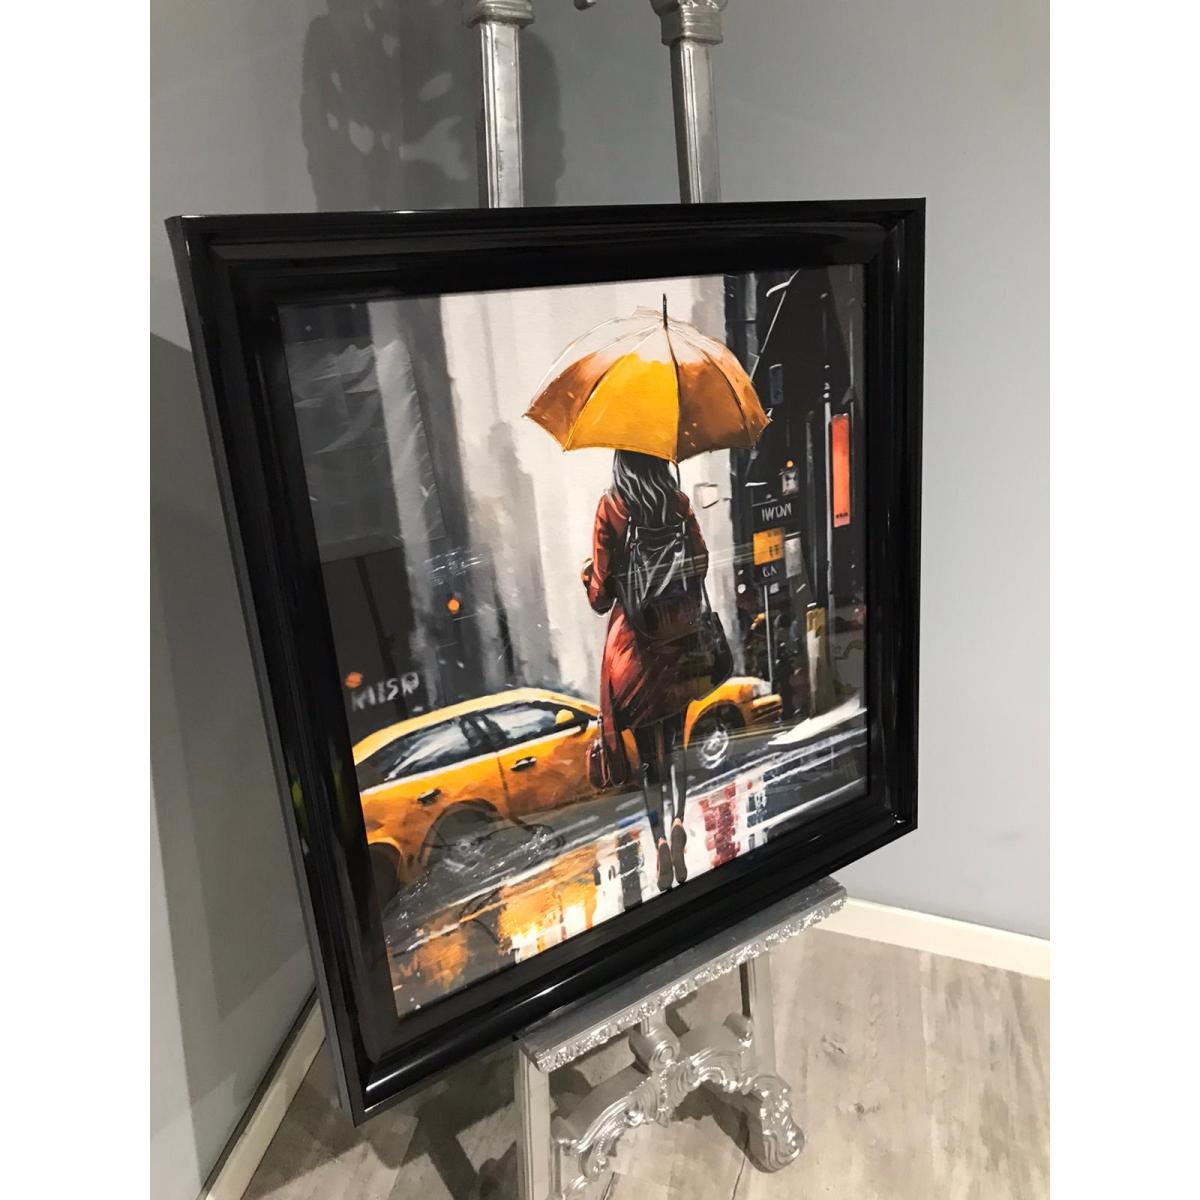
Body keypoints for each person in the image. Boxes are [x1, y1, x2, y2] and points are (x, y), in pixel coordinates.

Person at [580, 450, 713, 892]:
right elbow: (701, 562)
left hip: (632, 651)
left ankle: (658, 839)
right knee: (675, 743)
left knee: (649, 759)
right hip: (676, 641)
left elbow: (600, 598)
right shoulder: (677, 503)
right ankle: (678, 820)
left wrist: (589, 577)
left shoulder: (611, 507)